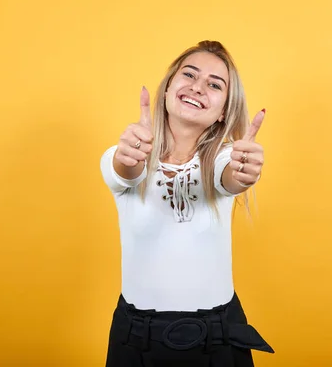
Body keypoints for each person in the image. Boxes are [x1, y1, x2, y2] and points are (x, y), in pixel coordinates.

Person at [100, 40, 273, 366]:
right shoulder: (122, 155)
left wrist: (245, 173)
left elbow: (230, 178)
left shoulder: (224, 159)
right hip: (136, 340)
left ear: (223, 111)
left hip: (218, 339)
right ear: (166, 90)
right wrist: (128, 156)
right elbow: (124, 171)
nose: (197, 87)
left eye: (214, 84)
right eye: (189, 75)